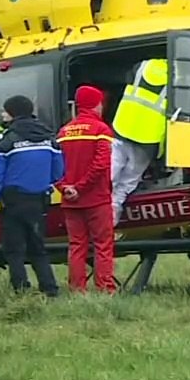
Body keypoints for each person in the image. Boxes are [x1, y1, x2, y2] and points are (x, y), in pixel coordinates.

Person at [0, 94, 62, 296]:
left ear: (12, 113)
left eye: (5, 111)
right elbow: (58, 173)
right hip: (40, 202)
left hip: (14, 202)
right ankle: (50, 290)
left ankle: (21, 292)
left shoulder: (5, 140)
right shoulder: (49, 137)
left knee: (14, 250)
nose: (2, 114)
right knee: (38, 249)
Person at [55, 85, 117, 294]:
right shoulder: (101, 130)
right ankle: (105, 288)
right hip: (96, 199)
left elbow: (54, 168)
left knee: (76, 246)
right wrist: (81, 188)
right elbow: (101, 165)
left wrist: (65, 188)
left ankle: (77, 289)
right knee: (103, 245)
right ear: (96, 105)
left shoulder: (63, 132)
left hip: (70, 200)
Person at [110, 58, 168, 225]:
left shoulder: (142, 66)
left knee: (110, 172)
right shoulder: (180, 77)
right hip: (147, 137)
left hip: (123, 126)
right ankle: (112, 212)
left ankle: (97, 209)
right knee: (129, 179)